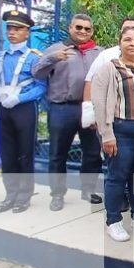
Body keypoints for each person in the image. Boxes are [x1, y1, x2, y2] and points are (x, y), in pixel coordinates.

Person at [32, 14, 103, 211]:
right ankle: (57, 195)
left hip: (89, 108)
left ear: (92, 31)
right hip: (62, 108)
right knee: (57, 153)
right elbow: (37, 72)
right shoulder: (56, 49)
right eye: (78, 27)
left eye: (87, 29)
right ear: (71, 28)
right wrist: (53, 59)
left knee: (92, 152)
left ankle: (88, 189)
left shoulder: (98, 52)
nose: (82, 32)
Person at [91, 26, 134, 241]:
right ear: (120, 43)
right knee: (117, 177)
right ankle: (114, 220)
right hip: (121, 131)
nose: (132, 43)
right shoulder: (109, 68)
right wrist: (106, 134)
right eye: (127, 39)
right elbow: (99, 103)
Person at [0, 10, 47, 213]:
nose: (12, 32)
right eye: (9, 28)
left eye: (18, 29)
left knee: (24, 153)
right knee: (7, 153)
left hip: (24, 108)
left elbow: (41, 86)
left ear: (27, 33)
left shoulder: (34, 58)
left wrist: (19, 97)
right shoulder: (0, 57)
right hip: (3, 108)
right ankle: (10, 194)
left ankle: (24, 195)